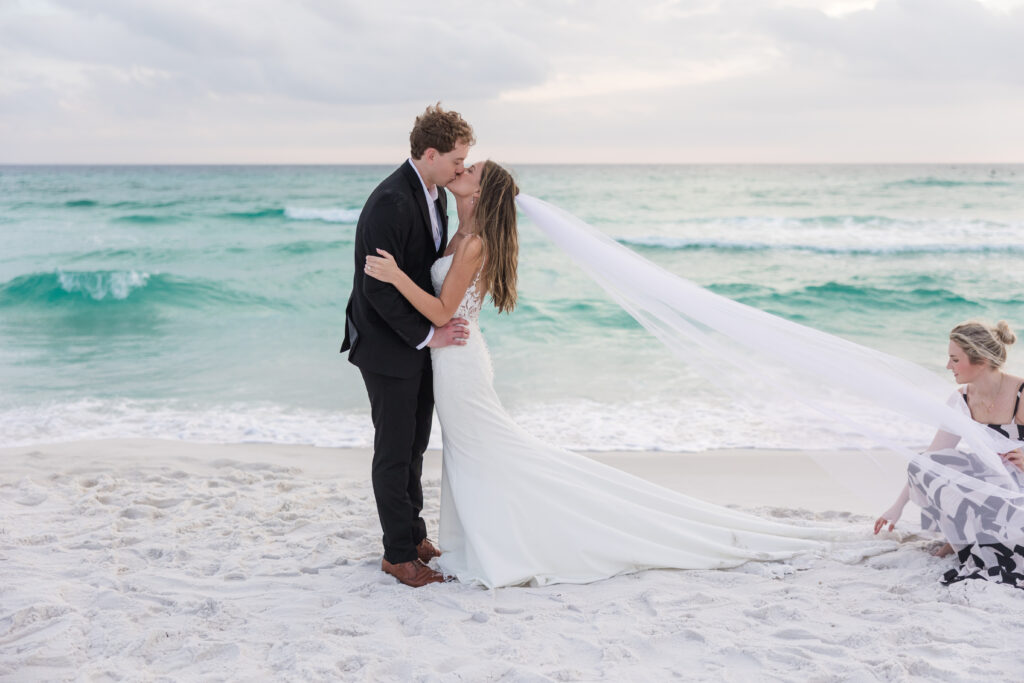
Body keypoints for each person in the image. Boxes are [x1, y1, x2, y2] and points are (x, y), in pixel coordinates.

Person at [363, 160, 864, 588]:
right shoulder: (461, 232)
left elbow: (442, 308)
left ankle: (502, 540)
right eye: (464, 163)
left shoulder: (474, 244)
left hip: (460, 363)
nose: (462, 168)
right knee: (473, 452)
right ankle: (472, 535)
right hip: (451, 360)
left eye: (471, 169)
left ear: (482, 190)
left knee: (483, 449)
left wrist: (396, 276)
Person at [340, 104, 475, 588]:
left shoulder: (434, 193)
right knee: (394, 451)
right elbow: (375, 289)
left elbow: (422, 267)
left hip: (415, 343)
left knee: (416, 443)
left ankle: (413, 534)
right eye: (458, 159)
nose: (463, 166)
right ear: (431, 153)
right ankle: (397, 555)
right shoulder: (391, 203)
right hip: (385, 344)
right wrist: (429, 334)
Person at [874, 321, 1024, 588]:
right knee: (928, 463)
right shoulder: (960, 399)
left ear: (980, 360)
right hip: (988, 486)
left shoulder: (1020, 393)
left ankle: (972, 542)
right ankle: (960, 542)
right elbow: (930, 459)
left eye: (955, 359)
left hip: (1017, 488)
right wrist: (898, 506)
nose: (948, 366)